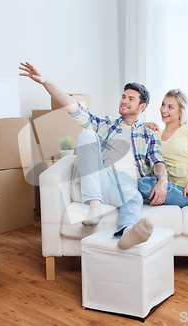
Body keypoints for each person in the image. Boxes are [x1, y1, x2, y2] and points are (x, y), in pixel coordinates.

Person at [19, 62, 169, 249]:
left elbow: (158, 162)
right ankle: (94, 205)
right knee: (87, 134)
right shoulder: (105, 125)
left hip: (127, 184)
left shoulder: (148, 134)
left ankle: (127, 233)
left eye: (131, 99)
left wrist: (163, 180)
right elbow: (73, 106)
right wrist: (45, 82)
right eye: (123, 96)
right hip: (100, 178)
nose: (124, 101)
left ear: (142, 107)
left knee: (135, 198)